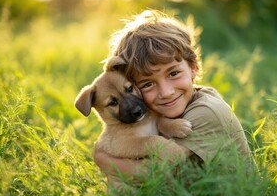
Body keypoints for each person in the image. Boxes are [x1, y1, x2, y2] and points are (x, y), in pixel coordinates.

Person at [94, 10, 253, 182]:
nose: (166, 92)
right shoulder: (165, 111)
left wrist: (104, 160)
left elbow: (155, 175)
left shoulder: (207, 112)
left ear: (193, 67)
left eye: (173, 73)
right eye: (147, 84)